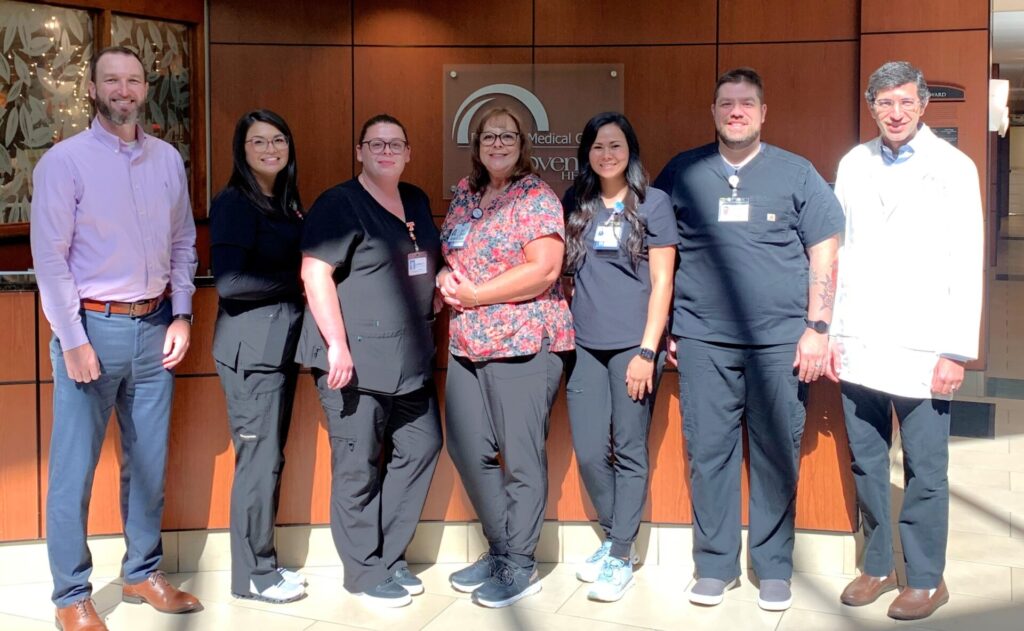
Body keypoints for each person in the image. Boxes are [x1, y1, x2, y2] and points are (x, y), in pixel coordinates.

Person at [652, 67, 843, 611]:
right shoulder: (681, 172)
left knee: (776, 453)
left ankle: (774, 568)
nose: (736, 111)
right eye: (726, 103)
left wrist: (818, 328)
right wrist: (667, 329)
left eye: (746, 103)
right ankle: (714, 566)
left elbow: (824, 252)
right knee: (708, 454)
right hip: (703, 341)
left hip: (782, 343)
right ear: (713, 112)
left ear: (763, 113)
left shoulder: (797, 173)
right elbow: (661, 254)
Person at [30, 46, 201, 631]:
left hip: (156, 328)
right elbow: (49, 263)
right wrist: (72, 340)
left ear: (144, 88)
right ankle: (70, 595)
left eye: (133, 79)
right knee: (73, 471)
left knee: (148, 463)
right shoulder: (64, 162)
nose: (123, 89)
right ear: (95, 89)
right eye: (112, 80)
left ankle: (141, 573)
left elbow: (182, 243)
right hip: (91, 331)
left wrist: (182, 314)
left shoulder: (167, 160)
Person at [827, 61, 983, 621]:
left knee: (924, 466)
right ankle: (876, 566)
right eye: (884, 103)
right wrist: (830, 331)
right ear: (871, 108)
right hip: (860, 340)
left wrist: (955, 349)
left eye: (905, 103)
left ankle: (925, 578)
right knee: (867, 463)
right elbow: (837, 252)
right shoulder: (852, 163)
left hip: (923, 344)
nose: (895, 113)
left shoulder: (954, 167)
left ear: (923, 106)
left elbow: (966, 261)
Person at [296, 114, 442, 608]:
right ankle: (362, 572)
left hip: (410, 357)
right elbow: (314, 273)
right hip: (354, 361)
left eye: (395, 144)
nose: (385, 151)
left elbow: (421, 259)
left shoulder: (416, 200)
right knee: (358, 467)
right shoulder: (339, 204)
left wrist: (436, 292)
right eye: (375, 144)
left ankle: (387, 555)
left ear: (408, 153)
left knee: (422, 447)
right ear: (359, 151)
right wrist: (336, 344)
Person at [438, 106, 574, 608]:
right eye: (489, 135)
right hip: (467, 344)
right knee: (468, 449)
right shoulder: (467, 194)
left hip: (523, 340)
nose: (498, 143)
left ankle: (519, 561)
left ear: (523, 142)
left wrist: (477, 296)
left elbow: (544, 270)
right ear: (475, 143)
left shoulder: (536, 196)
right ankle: (501, 547)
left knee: (520, 457)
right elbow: (450, 254)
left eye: (508, 135)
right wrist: (442, 279)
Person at [562, 112, 676, 602]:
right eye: (597, 146)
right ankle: (615, 538)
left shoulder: (654, 203)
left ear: (630, 150)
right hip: (585, 344)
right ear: (586, 152)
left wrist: (648, 351)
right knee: (589, 451)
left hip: (633, 346)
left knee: (629, 450)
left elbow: (663, 283)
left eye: (615, 145)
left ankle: (620, 553)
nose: (606, 154)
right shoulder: (577, 202)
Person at [210, 110, 306, 604]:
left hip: (278, 351)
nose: (270, 148)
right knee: (259, 461)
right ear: (242, 150)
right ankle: (253, 575)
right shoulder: (234, 203)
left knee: (270, 458)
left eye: (278, 139)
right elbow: (229, 282)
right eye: (258, 142)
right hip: (251, 355)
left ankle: (263, 561)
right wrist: (298, 284)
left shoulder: (283, 202)